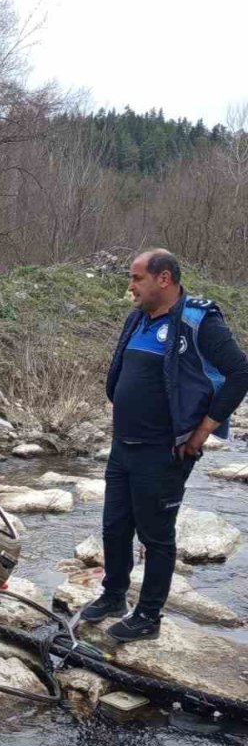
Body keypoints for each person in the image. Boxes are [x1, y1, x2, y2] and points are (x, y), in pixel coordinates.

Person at [80, 249, 248, 642]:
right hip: (124, 446)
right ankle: (114, 595)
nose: (131, 286)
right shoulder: (137, 317)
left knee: (156, 536)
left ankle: (148, 616)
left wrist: (203, 431)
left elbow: (241, 372)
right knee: (114, 527)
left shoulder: (198, 321)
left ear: (164, 278)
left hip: (165, 450)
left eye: (137, 278)